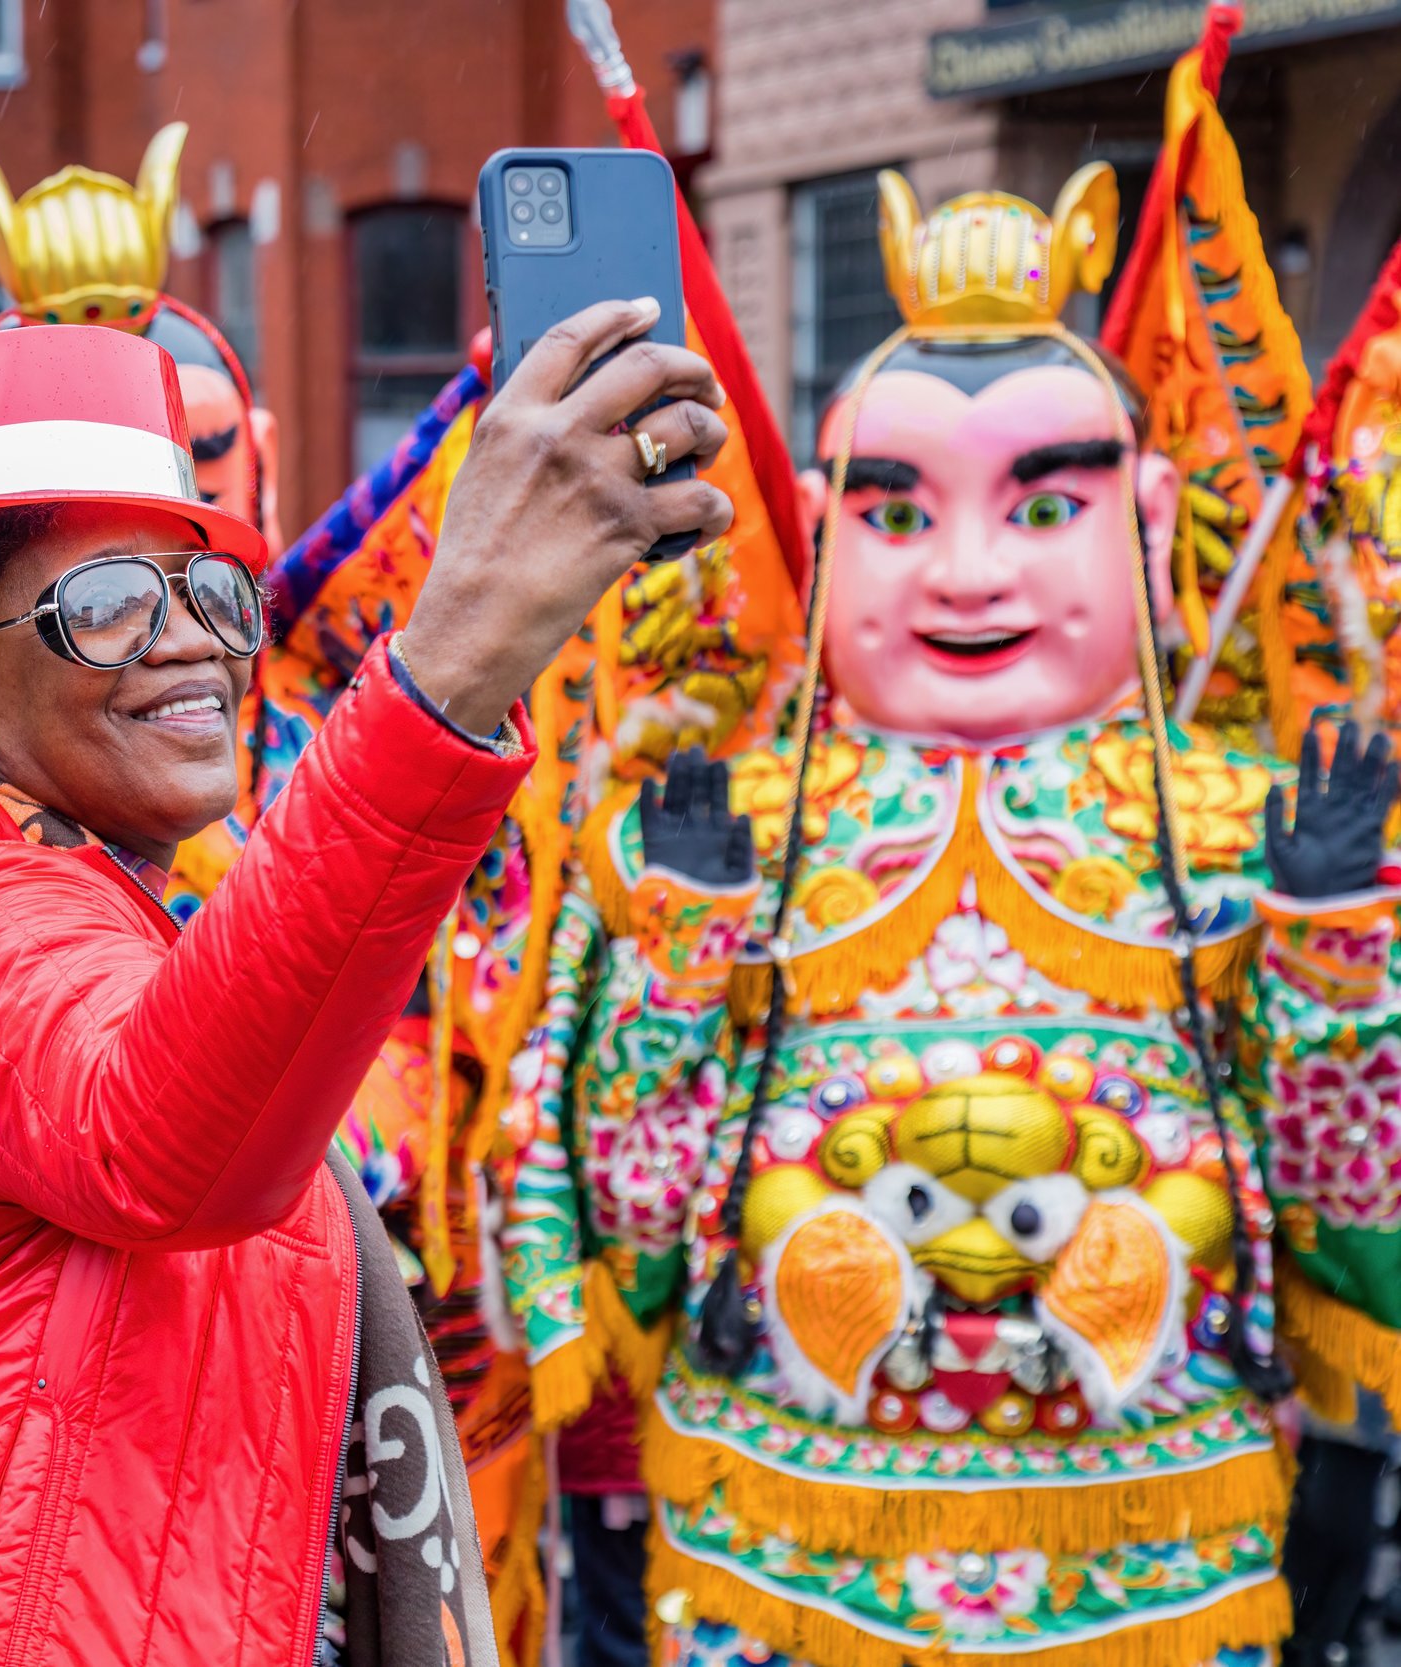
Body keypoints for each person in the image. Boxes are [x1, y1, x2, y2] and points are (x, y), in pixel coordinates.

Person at [501, 159, 1401, 1667]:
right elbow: (639, 1248)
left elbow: (1351, 1240)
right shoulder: (707, 832)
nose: (970, 572)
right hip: (779, 1557)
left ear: (1153, 514)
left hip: (1156, 1563)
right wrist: (675, 964)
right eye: (900, 512)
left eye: (1047, 503)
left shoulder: (1257, 835)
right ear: (814, 521)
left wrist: (1329, 956)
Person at [0, 297, 731, 1657]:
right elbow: (167, 1139)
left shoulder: (124, 925)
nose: (192, 643)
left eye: (208, 592)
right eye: (103, 605)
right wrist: (454, 661)